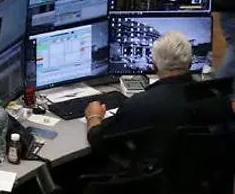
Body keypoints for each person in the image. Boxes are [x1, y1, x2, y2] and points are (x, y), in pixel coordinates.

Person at [84, 31, 231, 155]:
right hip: (201, 179)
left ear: (154, 65)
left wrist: (94, 117)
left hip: (153, 182)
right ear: (190, 63)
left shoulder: (139, 105)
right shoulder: (212, 96)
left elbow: (98, 140)